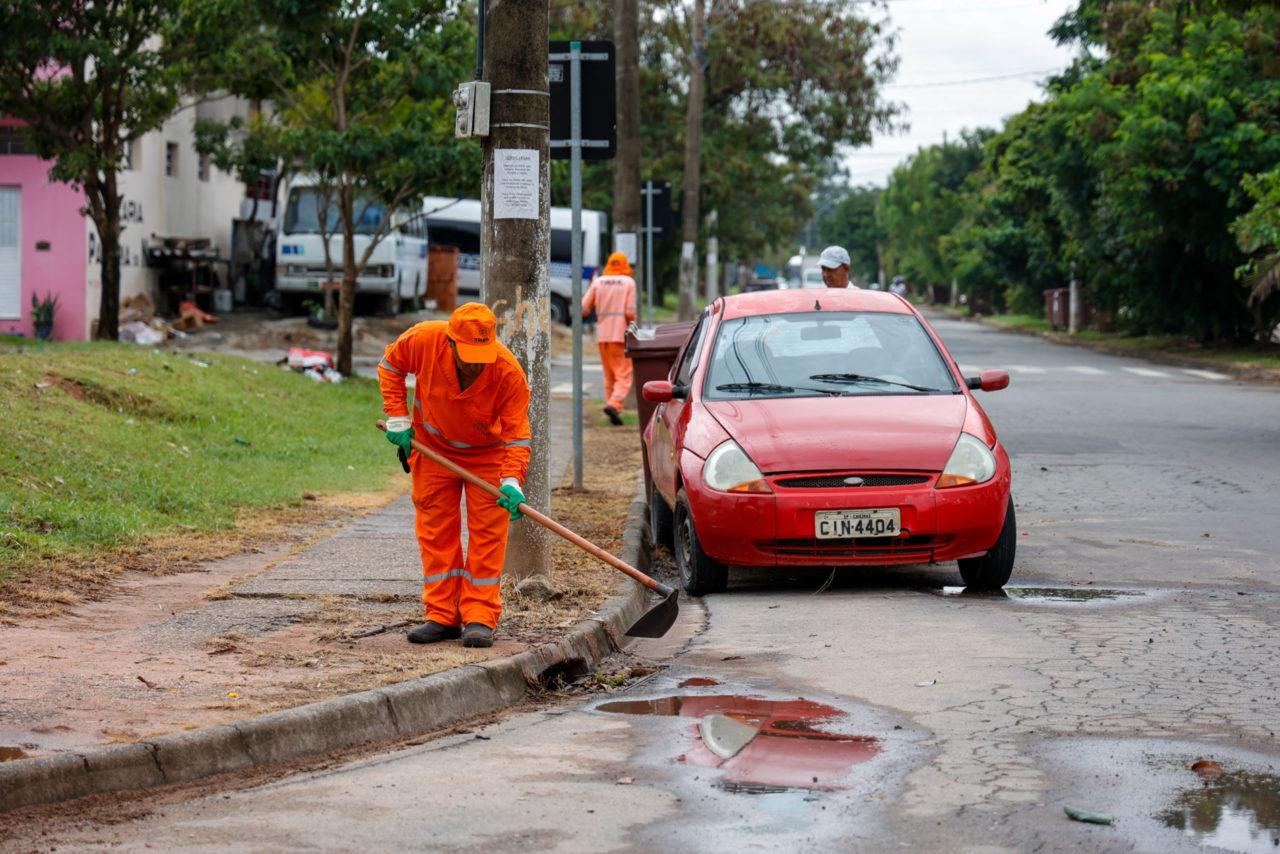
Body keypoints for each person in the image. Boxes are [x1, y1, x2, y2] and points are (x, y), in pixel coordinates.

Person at [379, 303, 532, 648]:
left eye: (482, 354)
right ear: (449, 343)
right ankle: (442, 614)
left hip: (487, 456)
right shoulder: (422, 339)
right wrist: (398, 417)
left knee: (488, 535)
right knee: (436, 531)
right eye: (468, 354)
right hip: (433, 448)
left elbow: (517, 435)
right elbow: (389, 365)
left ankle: (479, 615)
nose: (476, 362)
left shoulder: (508, 373)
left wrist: (511, 480)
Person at [581, 251, 637, 426]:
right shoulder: (629, 282)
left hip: (603, 335)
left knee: (609, 374)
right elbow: (629, 312)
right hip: (621, 335)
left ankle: (613, 409)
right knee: (624, 374)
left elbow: (583, 308)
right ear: (625, 265)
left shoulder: (598, 282)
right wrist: (633, 325)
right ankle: (614, 403)